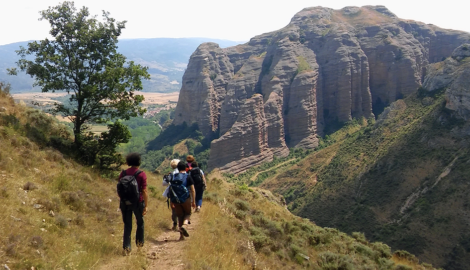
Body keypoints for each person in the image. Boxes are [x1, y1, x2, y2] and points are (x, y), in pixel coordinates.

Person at [117, 153, 148, 256]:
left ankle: (127, 248)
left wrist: (122, 200)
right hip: (138, 202)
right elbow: (144, 191)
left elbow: (119, 188)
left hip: (125, 202)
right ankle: (140, 246)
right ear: (139, 161)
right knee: (140, 223)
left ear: (128, 162)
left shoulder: (123, 173)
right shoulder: (141, 174)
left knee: (127, 225)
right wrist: (146, 205)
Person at [170, 161, 196, 240]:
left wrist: (172, 201)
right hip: (186, 199)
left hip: (176, 200)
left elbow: (170, 190)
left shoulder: (174, 176)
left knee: (180, 216)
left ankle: (181, 236)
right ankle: (184, 226)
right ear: (185, 168)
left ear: (177, 168)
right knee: (188, 213)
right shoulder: (188, 176)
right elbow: (193, 190)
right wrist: (193, 201)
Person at [162, 159, 180, 230]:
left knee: (174, 209)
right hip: (183, 193)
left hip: (173, 193)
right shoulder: (184, 173)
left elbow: (164, 183)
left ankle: (175, 223)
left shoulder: (172, 174)